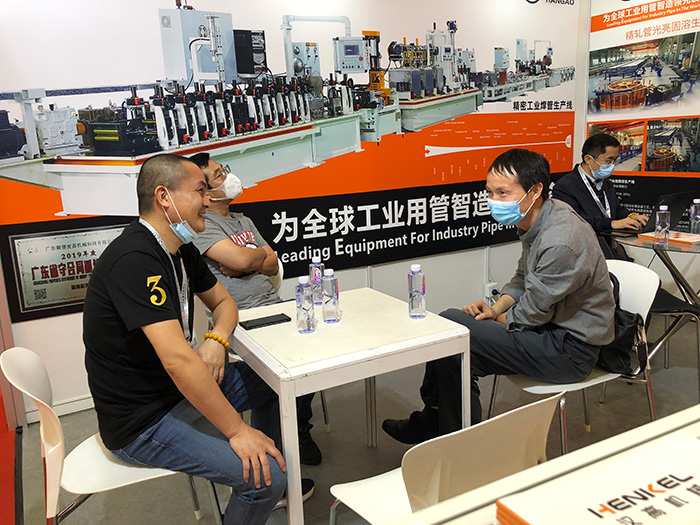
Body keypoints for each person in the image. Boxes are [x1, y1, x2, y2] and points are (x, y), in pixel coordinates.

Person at [83, 154, 288, 524]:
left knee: (275, 382)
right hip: (143, 421)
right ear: (164, 197)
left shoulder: (181, 250)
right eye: (199, 191)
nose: (208, 200)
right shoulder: (135, 258)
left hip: (175, 392)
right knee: (266, 480)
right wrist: (238, 430)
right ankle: (260, 473)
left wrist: (216, 340)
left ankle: (265, 455)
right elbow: (177, 361)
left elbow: (224, 304)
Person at [382, 149, 615, 443]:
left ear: (535, 190)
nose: (494, 200)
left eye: (503, 193)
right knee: (452, 340)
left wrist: (496, 318)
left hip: (570, 350)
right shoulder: (541, 218)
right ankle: (444, 427)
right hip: (549, 330)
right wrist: (495, 310)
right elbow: (522, 278)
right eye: (490, 192)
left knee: (453, 329)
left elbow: (530, 314)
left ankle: (454, 438)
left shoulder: (561, 240)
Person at [189, 152, 322, 466]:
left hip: (273, 307)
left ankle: (298, 426)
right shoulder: (205, 225)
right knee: (291, 360)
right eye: (219, 175)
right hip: (241, 318)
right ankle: (282, 441)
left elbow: (271, 262)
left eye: (225, 170)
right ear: (205, 192)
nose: (228, 177)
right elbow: (243, 258)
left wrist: (250, 260)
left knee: (316, 347)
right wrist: (251, 257)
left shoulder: (243, 220)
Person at [552, 134, 648, 259]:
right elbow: (576, 222)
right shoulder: (565, 187)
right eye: (608, 161)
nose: (612, 165)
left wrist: (631, 216)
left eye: (615, 160)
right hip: (582, 254)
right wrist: (612, 224)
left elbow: (615, 210)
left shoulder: (605, 183)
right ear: (588, 159)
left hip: (607, 249)